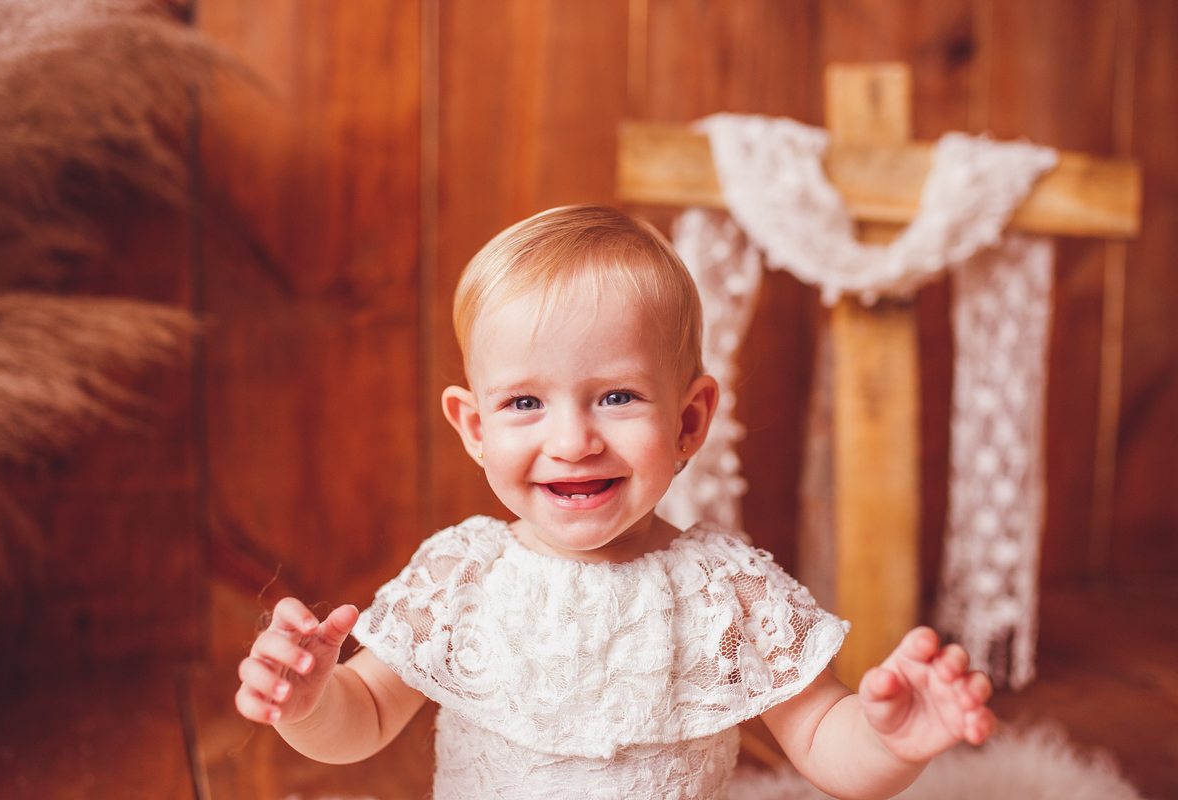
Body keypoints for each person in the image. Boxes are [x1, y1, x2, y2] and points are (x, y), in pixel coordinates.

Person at [235, 205, 995, 800]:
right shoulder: (461, 577)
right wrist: (308, 704)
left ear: (689, 420)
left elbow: (827, 743)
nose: (572, 441)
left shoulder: (725, 589)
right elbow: (361, 719)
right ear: (473, 426)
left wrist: (888, 737)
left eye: (617, 397)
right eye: (526, 402)